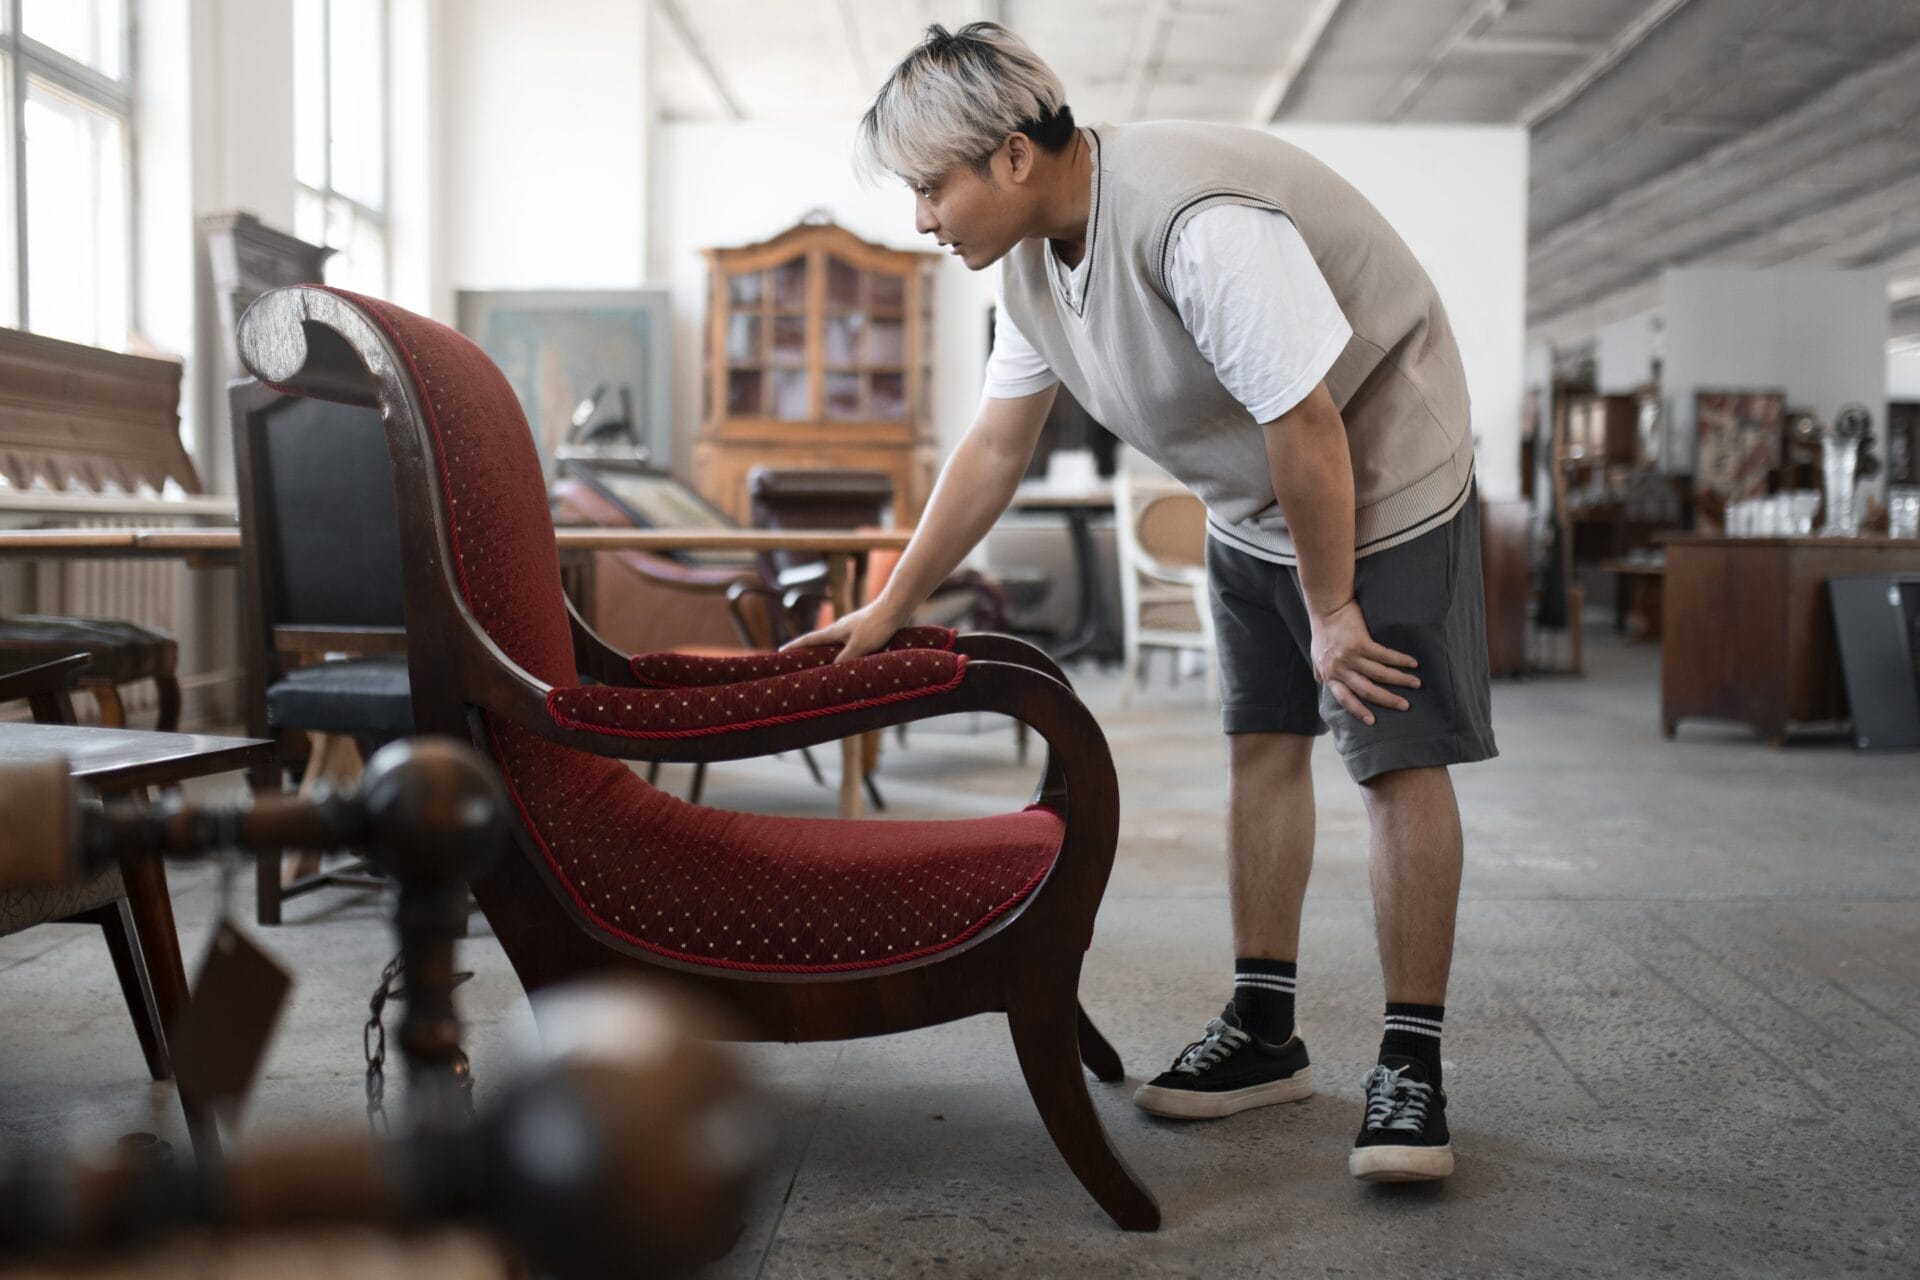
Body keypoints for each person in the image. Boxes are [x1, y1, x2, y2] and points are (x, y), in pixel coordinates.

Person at [791, 21, 1495, 1184]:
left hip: (1381, 480)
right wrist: (889, 603)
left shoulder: (1199, 226)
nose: (921, 219)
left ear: (1013, 155)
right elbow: (991, 447)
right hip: (1255, 499)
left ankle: (1412, 1061)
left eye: (931, 186)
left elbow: (1309, 423)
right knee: (1260, 746)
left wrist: (1332, 611)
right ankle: (1267, 1030)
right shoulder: (1023, 262)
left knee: (1393, 754)